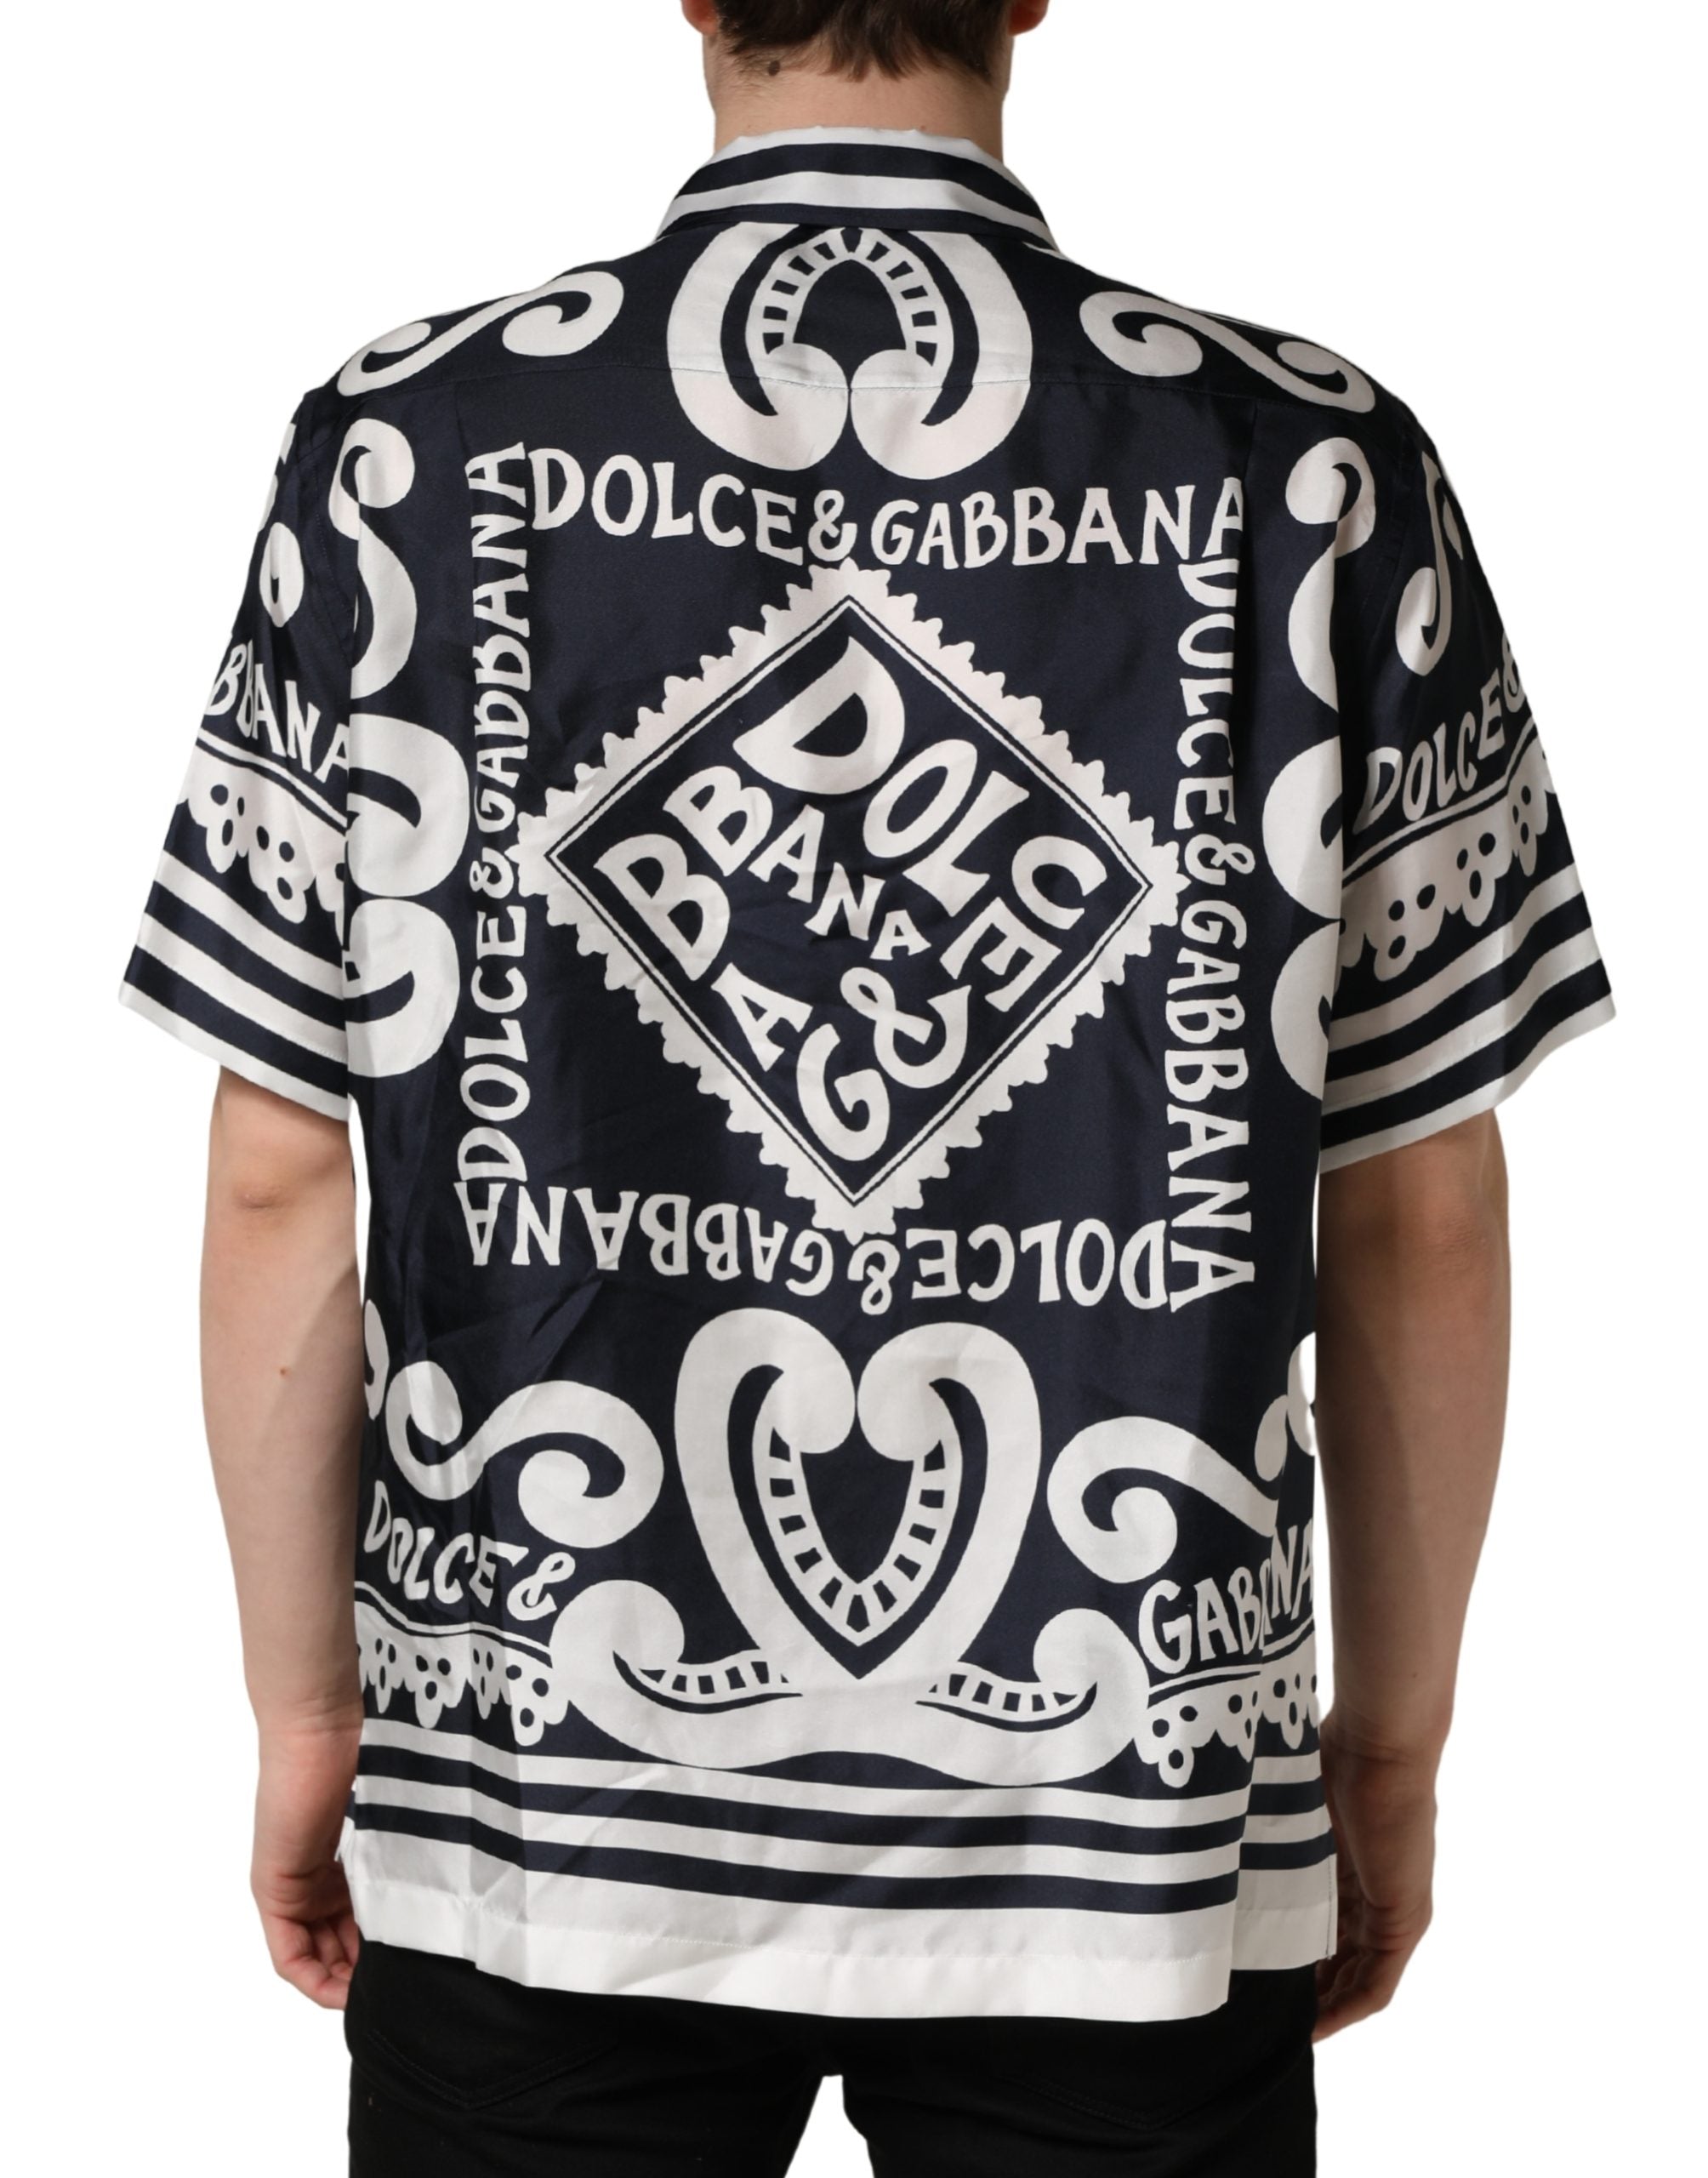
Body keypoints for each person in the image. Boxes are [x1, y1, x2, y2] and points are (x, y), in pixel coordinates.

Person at [119, 2, 1614, 2170]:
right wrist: (1384, 1744)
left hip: (537, 1773)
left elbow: (280, 1167)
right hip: (1126, 1801)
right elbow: (1418, 1200)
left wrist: (306, 1710)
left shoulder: (403, 449)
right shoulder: (1308, 462)